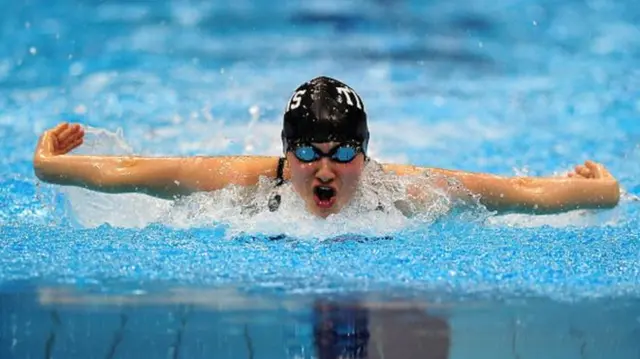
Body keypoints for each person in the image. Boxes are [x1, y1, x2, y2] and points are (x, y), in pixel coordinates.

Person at [33, 76, 620, 219]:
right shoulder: (246, 184)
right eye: (309, 153)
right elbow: (132, 171)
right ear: (285, 155)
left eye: (343, 154)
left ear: (365, 156)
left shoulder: (405, 193)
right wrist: (49, 166)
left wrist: (606, 191)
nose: (325, 169)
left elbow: (519, 191)